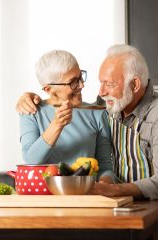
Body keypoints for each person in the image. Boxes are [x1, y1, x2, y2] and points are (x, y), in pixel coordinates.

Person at [16, 44, 158, 240]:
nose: (100, 92)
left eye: (109, 84)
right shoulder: (109, 103)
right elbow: (33, 152)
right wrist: (29, 96)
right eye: (100, 82)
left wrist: (113, 189)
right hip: (126, 204)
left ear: (134, 85)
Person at [20, 49, 113, 182]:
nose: (82, 85)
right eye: (73, 82)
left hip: (86, 195)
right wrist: (57, 125)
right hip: (45, 198)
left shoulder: (97, 113)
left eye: (81, 77)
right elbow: (31, 161)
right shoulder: (31, 112)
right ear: (49, 89)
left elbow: (105, 166)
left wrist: (104, 185)